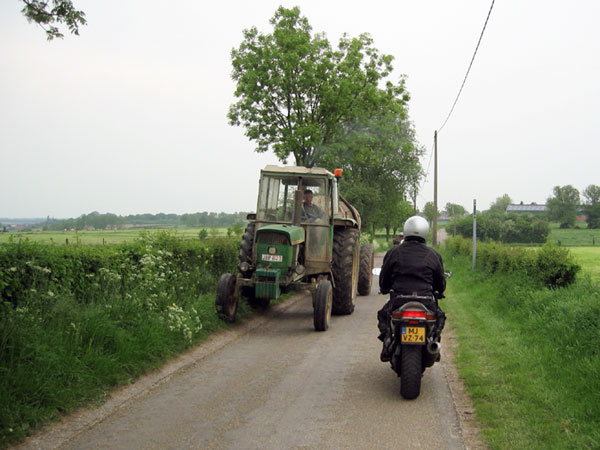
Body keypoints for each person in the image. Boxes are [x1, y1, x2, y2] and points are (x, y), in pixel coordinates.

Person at [377, 215, 446, 361]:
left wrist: (384, 288)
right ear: (425, 232)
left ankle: (388, 340)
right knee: (439, 317)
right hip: (426, 302)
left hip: (399, 301)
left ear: (406, 230)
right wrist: (439, 292)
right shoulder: (433, 255)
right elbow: (440, 283)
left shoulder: (394, 252)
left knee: (383, 315)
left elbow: (385, 278)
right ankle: (434, 342)